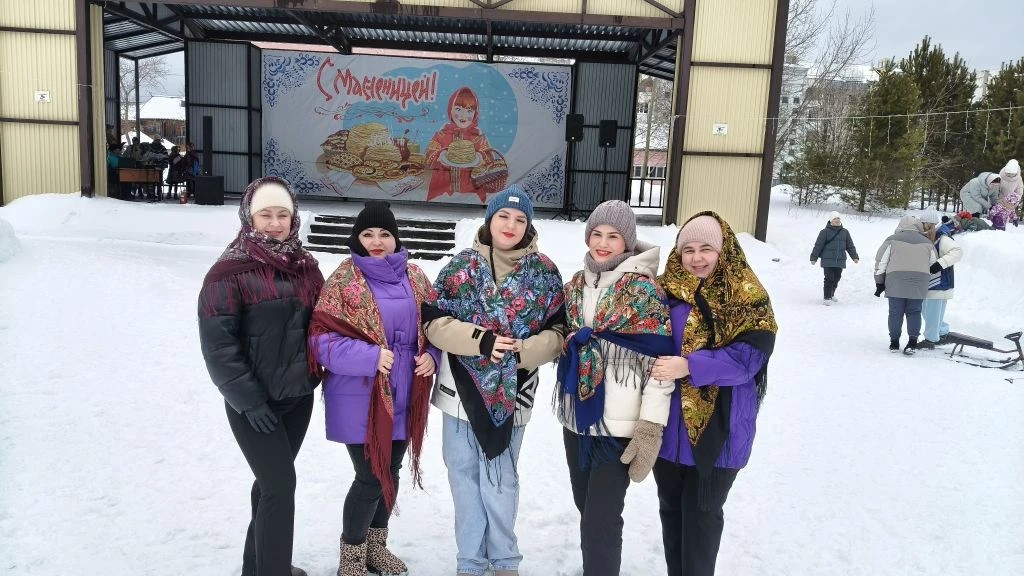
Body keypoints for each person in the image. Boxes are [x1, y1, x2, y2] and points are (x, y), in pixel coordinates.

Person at [423, 184, 566, 576]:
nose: (510, 225)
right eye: (503, 215)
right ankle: (470, 560)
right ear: (490, 219)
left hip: (515, 393)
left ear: (528, 226)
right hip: (459, 392)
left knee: (501, 480)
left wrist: (524, 351)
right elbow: (433, 322)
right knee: (464, 477)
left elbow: (559, 332)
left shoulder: (544, 273)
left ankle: (503, 559)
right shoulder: (461, 267)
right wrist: (481, 340)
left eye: (520, 219)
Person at [198, 176, 324, 576]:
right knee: (280, 486)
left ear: (293, 218)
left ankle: (255, 566)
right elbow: (219, 347)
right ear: (249, 218)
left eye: (282, 214)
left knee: (270, 486)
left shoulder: (306, 268)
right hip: (254, 405)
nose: (274, 223)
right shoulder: (227, 273)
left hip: (297, 399)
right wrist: (249, 402)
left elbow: (325, 324)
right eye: (265, 214)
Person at [309, 201, 441, 576]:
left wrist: (433, 356)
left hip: (406, 391)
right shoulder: (344, 280)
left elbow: (435, 327)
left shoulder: (416, 277)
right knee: (369, 477)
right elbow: (319, 340)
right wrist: (369, 356)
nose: (376, 241)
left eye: (384, 234)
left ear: (396, 238)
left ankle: (375, 548)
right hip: (360, 394)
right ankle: (351, 558)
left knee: (391, 472)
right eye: (368, 234)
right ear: (357, 238)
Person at [651, 213, 777, 576]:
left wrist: (690, 366)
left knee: (701, 519)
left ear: (724, 251)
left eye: (706, 248)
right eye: (688, 249)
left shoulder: (747, 295)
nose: (696, 257)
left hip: (718, 434)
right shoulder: (664, 292)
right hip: (667, 431)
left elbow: (748, 359)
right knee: (672, 514)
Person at [555, 200, 675, 576]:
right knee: (585, 506)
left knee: (601, 520)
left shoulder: (644, 292)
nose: (603, 243)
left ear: (628, 242)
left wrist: (650, 426)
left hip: (617, 428)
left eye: (613, 236)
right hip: (577, 420)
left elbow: (659, 365)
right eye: (597, 234)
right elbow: (560, 336)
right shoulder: (576, 285)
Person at [873, 214, 937, 355]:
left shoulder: (891, 240)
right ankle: (912, 342)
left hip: (895, 280)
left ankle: (894, 342)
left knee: (895, 312)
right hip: (919, 282)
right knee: (914, 311)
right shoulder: (927, 243)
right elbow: (933, 263)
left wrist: (879, 282)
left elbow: (881, 262)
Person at [424, 86, 496, 202]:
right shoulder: (441, 135)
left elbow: (490, 161)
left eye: (469, 111)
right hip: (442, 193)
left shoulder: (479, 137)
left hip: (472, 193)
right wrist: (440, 155)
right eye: (458, 109)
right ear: (450, 110)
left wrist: (480, 157)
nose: (463, 115)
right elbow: (428, 158)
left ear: (475, 114)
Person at [915, 208, 962, 350]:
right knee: (927, 311)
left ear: (929, 224)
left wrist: (939, 265)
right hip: (932, 282)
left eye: (923, 224)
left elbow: (957, 252)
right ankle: (941, 332)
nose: (921, 227)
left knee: (931, 313)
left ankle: (930, 339)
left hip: (941, 282)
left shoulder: (942, 237)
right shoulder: (929, 236)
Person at [809, 211, 859, 305]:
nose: (837, 220)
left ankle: (831, 294)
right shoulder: (824, 232)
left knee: (837, 278)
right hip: (827, 259)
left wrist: (854, 256)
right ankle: (827, 297)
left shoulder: (845, 232)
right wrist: (813, 258)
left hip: (840, 260)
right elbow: (818, 245)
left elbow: (850, 246)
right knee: (829, 278)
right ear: (831, 220)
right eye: (835, 219)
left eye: (838, 218)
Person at [996, 158, 1022, 227]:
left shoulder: (1019, 179)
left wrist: (1015, 203)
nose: (1010, 176)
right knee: (998, 216)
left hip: (1010, 201)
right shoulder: (1000, 176)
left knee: (1005, 218)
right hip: (1000, 200)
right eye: (1008, 174)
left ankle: (1002, 228)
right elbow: (995, 188)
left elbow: (1019, 191)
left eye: (1012, 174)